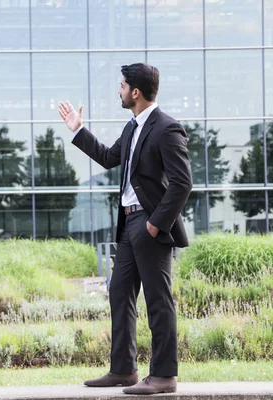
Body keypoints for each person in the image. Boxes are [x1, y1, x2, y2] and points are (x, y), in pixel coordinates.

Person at [58, 63, 192, 395]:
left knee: (158, 300)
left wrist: (155, 223)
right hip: (129, 223)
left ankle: (163, 376)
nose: (118, 90)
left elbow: (182, 183)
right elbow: (107, 157)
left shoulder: (167, 128)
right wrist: (78, 129)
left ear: (135, 91)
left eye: (121, 86)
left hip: (150, 225)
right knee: (120, 292)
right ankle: (123, 370)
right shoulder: (132, 128)